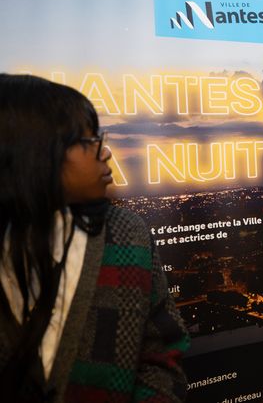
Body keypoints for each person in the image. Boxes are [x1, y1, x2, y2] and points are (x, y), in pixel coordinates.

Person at [0, 74, 189, 401]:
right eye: (89, 141)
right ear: (37, 154)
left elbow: (161, 354)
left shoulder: (127, 235)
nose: (106, 154)